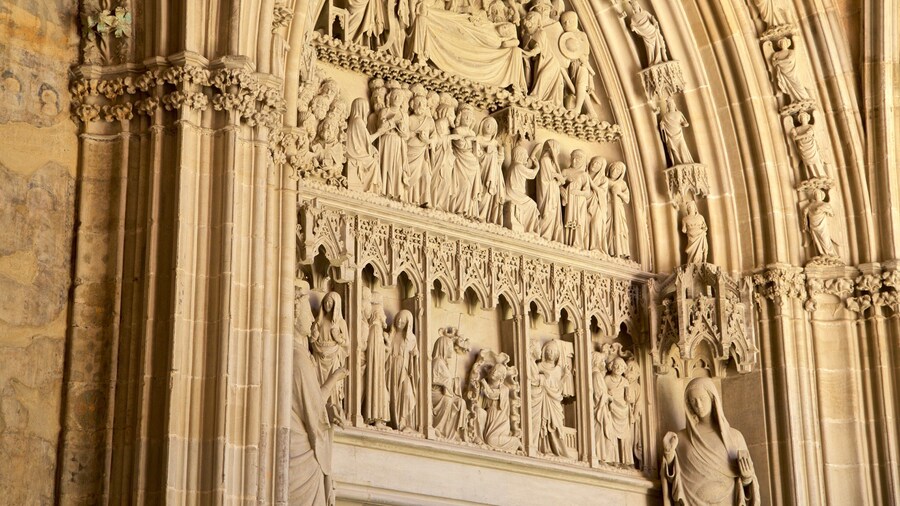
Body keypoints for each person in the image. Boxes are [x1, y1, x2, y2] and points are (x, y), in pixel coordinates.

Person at [289, 281, 349, 506]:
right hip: (301, 455)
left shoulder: (298, 355)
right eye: (308, 312)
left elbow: (312, 404)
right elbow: (314, 411)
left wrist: (328, 410)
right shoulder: (298, 359)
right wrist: (334, 378)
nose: (313, 319)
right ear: (295, 316)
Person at [661, 377, 760, 506]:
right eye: (693, 401)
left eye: (702, 398)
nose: (698, 405)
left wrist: (747, 478)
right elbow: (672, 479)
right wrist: (668, 454)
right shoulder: (681, 438)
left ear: (712, 398)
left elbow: (747, 484)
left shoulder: (735, 437)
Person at [310, 291, 350, 418]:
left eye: (330, 303)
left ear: (336, 305)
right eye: (325, 302)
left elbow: (347, 344)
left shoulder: (340, 323)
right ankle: (319, 410)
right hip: (319, 357)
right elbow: (311, 341)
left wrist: (338, 338)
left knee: (333, 384)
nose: (327, 305)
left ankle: (334, 411)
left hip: (333, 357)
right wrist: (314, 337)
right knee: (318, 383)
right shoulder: (319, 321)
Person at [431, 328, 466, 440]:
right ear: (444, 348)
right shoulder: (437, 362)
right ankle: (438, 429)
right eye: (450, 347)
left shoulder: (444, 363)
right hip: (436, 394)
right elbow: (432, 379)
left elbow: (446, 380)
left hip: (445, 393)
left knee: (461, 402)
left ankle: (455, 433)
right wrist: (446, 382)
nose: (452, 350)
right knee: (447, 400)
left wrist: (454, 382)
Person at [387, 309, 419, 432]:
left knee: (407, 394)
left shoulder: (411, 338)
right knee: (393, 394)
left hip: (404, 369)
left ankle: (405, 421)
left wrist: (415, 355)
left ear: (408, 323)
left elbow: (414, 354)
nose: (399, 321)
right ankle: (394, 421)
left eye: (403, 320)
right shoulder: (392, 335)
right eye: (398, 318)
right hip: (392, 368)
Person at [362, 293, 390, 427]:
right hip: (377, 369)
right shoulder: (375, 329)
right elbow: (376, 352)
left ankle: (378, 417)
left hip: (379, 368)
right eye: (383, 313)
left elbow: (381, 351)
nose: (385, 317)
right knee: (380, 390)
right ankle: (377, 416)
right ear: (377, 314)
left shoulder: (376, 329)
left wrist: (387, 345)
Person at [504, 145, 540, 233]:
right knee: (532, 205)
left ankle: (528, 228)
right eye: (524, 154)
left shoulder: (513, 166)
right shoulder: (518, 166)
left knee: (531, 205)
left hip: (513, 192)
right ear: (519, 155)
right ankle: (529, 229)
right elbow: (532, 175)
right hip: (514, 193)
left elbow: (526, 168)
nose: (526, 157)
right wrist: (537, 167)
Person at [535, 140, 565, 242]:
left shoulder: (551, 163)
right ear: (551, 149)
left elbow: (562, 181)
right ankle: (544, 235)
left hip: (553, 191)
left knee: (553, 214)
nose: (558, 152)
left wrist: (556, 163)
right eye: (557, 150)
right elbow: (550, 177)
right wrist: (557, 175)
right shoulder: (545, 160)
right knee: (547, 212)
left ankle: (549, 236)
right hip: (547, 192)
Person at [607, 162, 631, 258]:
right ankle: (609, 250)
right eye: (613, 168)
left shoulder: (622, 184)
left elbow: (627, 199)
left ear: (621, 173)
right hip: (608, 207)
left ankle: (621, 251)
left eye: (618, 170)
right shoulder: (605, 180)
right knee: (608, 227)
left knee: (620, 228)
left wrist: (619, 193)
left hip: (618, 208)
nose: (614, 171)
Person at [682, 200, 709, 264]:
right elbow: (684, 230)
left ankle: (702, 262)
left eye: (691, 206)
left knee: (700, 251)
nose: (690, 208)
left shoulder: (700, 217)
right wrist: (685, 229)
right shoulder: (685, 219)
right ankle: (691, 265)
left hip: (700, 235)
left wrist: (703, 229)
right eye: (688, 207)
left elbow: (705, 227)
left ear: (695, 207)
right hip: (691, 238)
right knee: (691, 253)